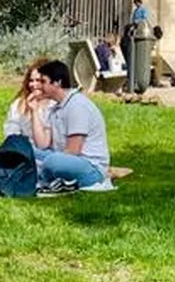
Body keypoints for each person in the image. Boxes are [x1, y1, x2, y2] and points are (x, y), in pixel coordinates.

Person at [26, 58, 113, 192]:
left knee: (52, 162)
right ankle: (38, 173)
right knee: (25, 148)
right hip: (63, 158)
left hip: (90, 167)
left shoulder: (77, 106)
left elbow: (73, 150)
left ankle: (40, 178)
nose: (39, 86)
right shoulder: (55, 108)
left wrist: (45, 160)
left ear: (57, 83)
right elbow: (42, 144)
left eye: (43, 82)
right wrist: (34, 111)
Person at [2, 58, 53, 139]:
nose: (33, 84)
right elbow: (11, 130)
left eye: (38, 80)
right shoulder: (19, 104)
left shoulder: (56, 104)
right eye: (31, 80)